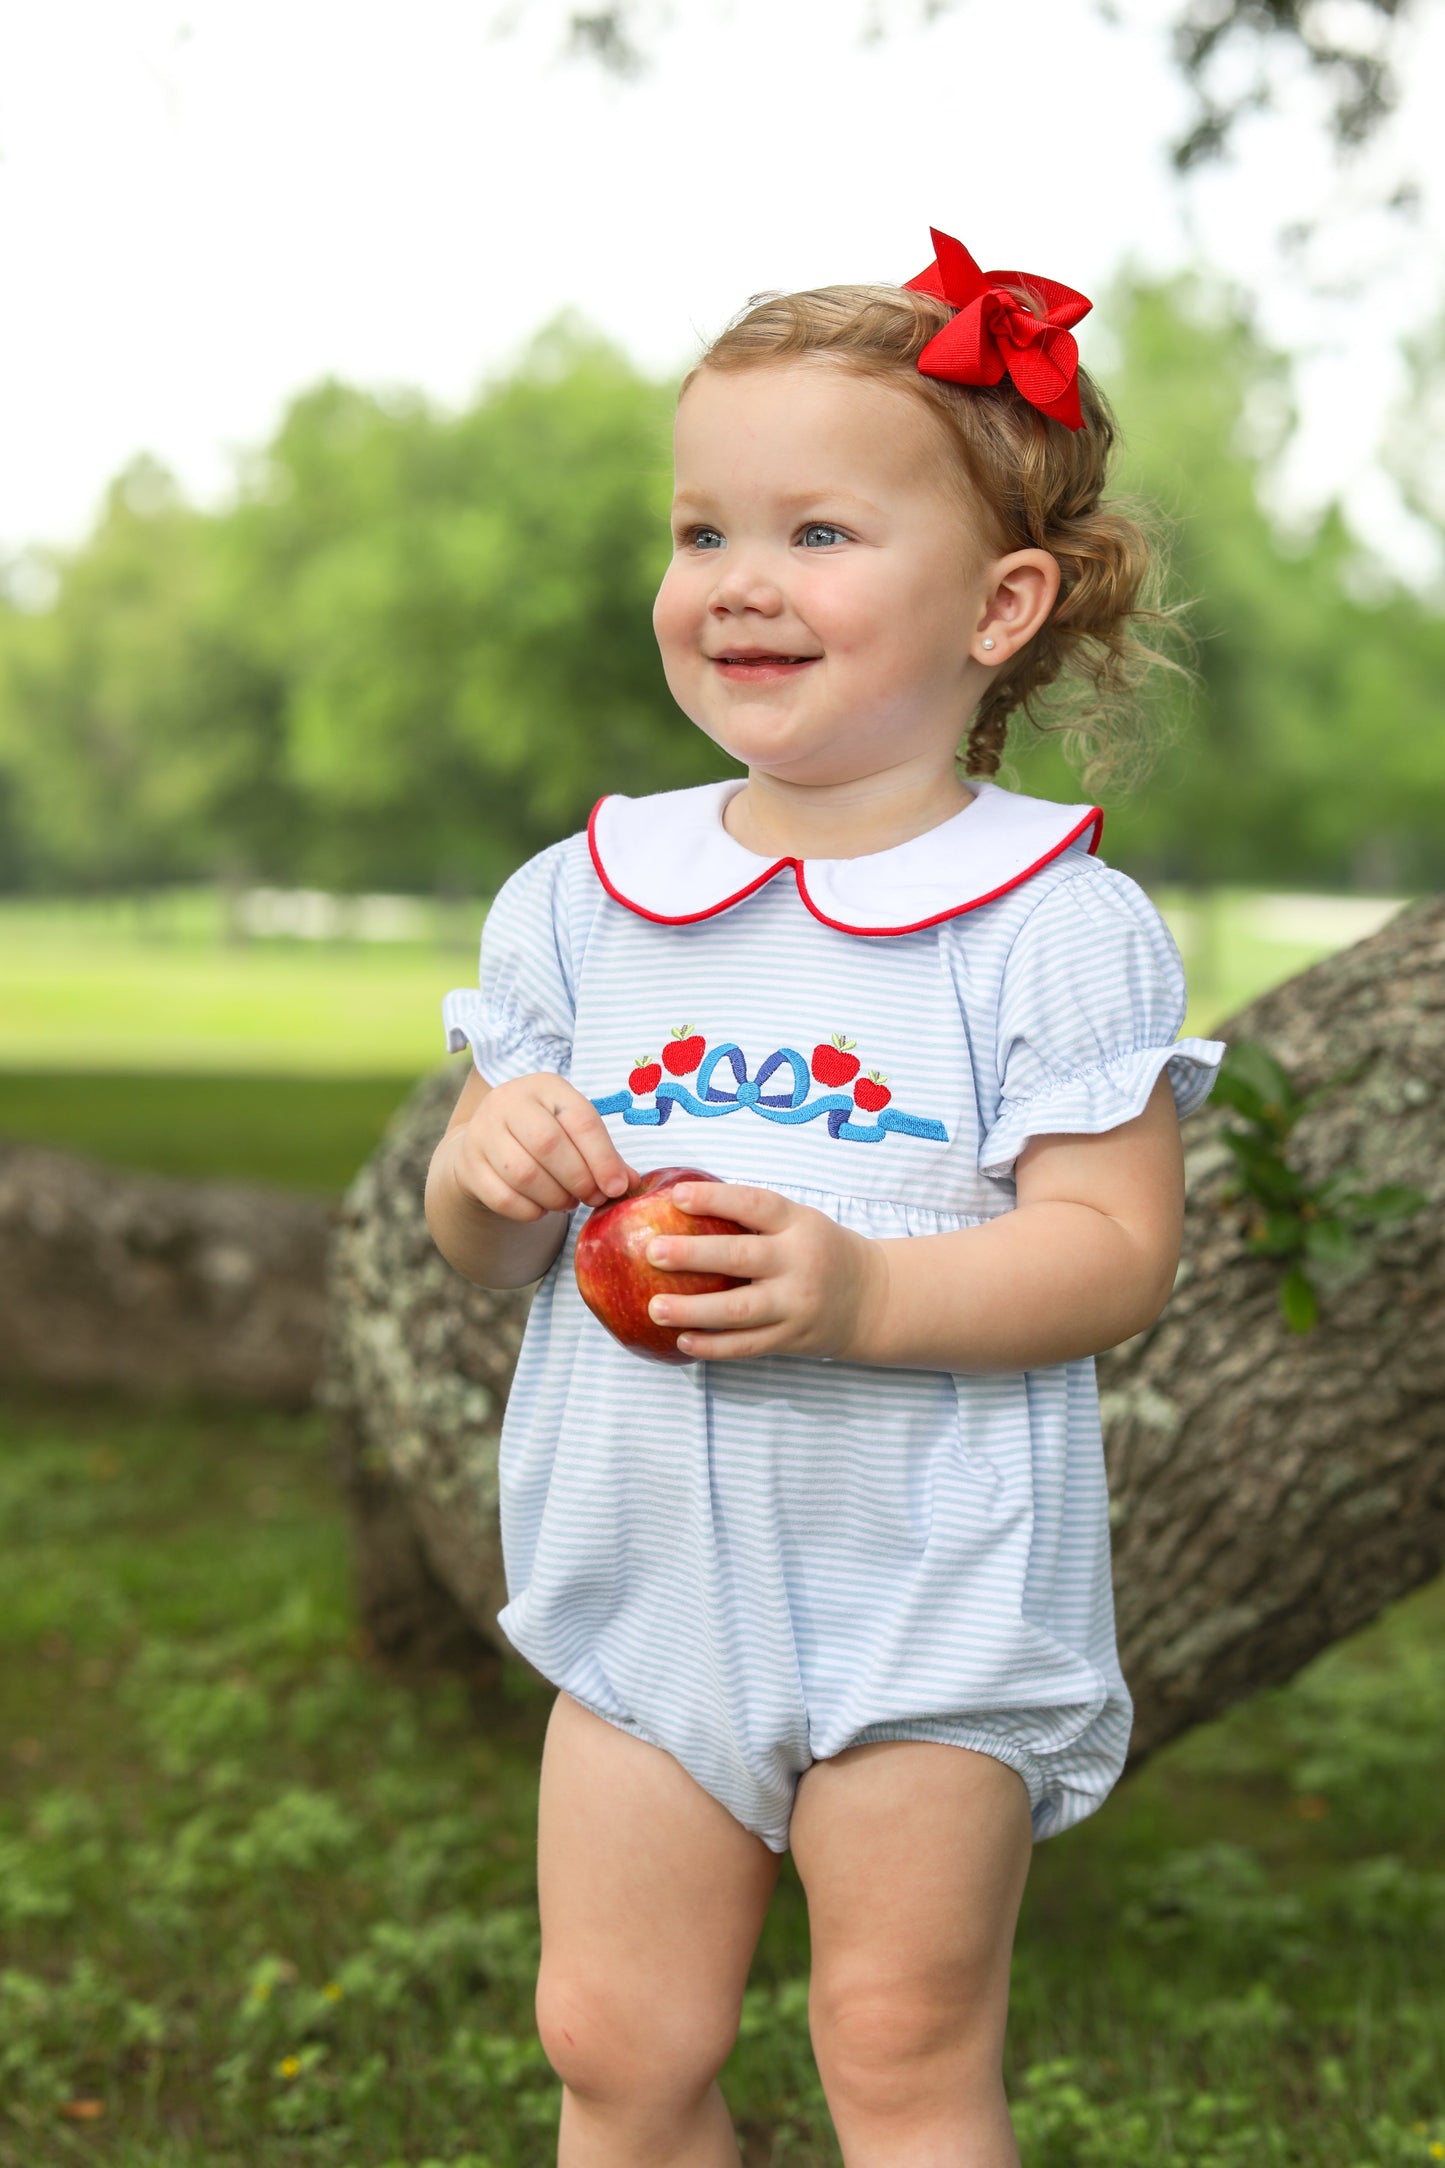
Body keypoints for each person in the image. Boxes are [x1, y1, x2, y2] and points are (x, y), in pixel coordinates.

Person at [425, 225, 1226, 2168]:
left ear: (1001, 600)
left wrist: (864, 1293)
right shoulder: (585, 896)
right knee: (612, 2039)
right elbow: (487, 1251)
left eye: (819, 535)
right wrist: (488, 1170)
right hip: (646, 1590)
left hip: (927, 1599)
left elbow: (1115, 1252)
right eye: (704, 535)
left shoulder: (1045, 924)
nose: (742, 585)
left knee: (898, 2042)